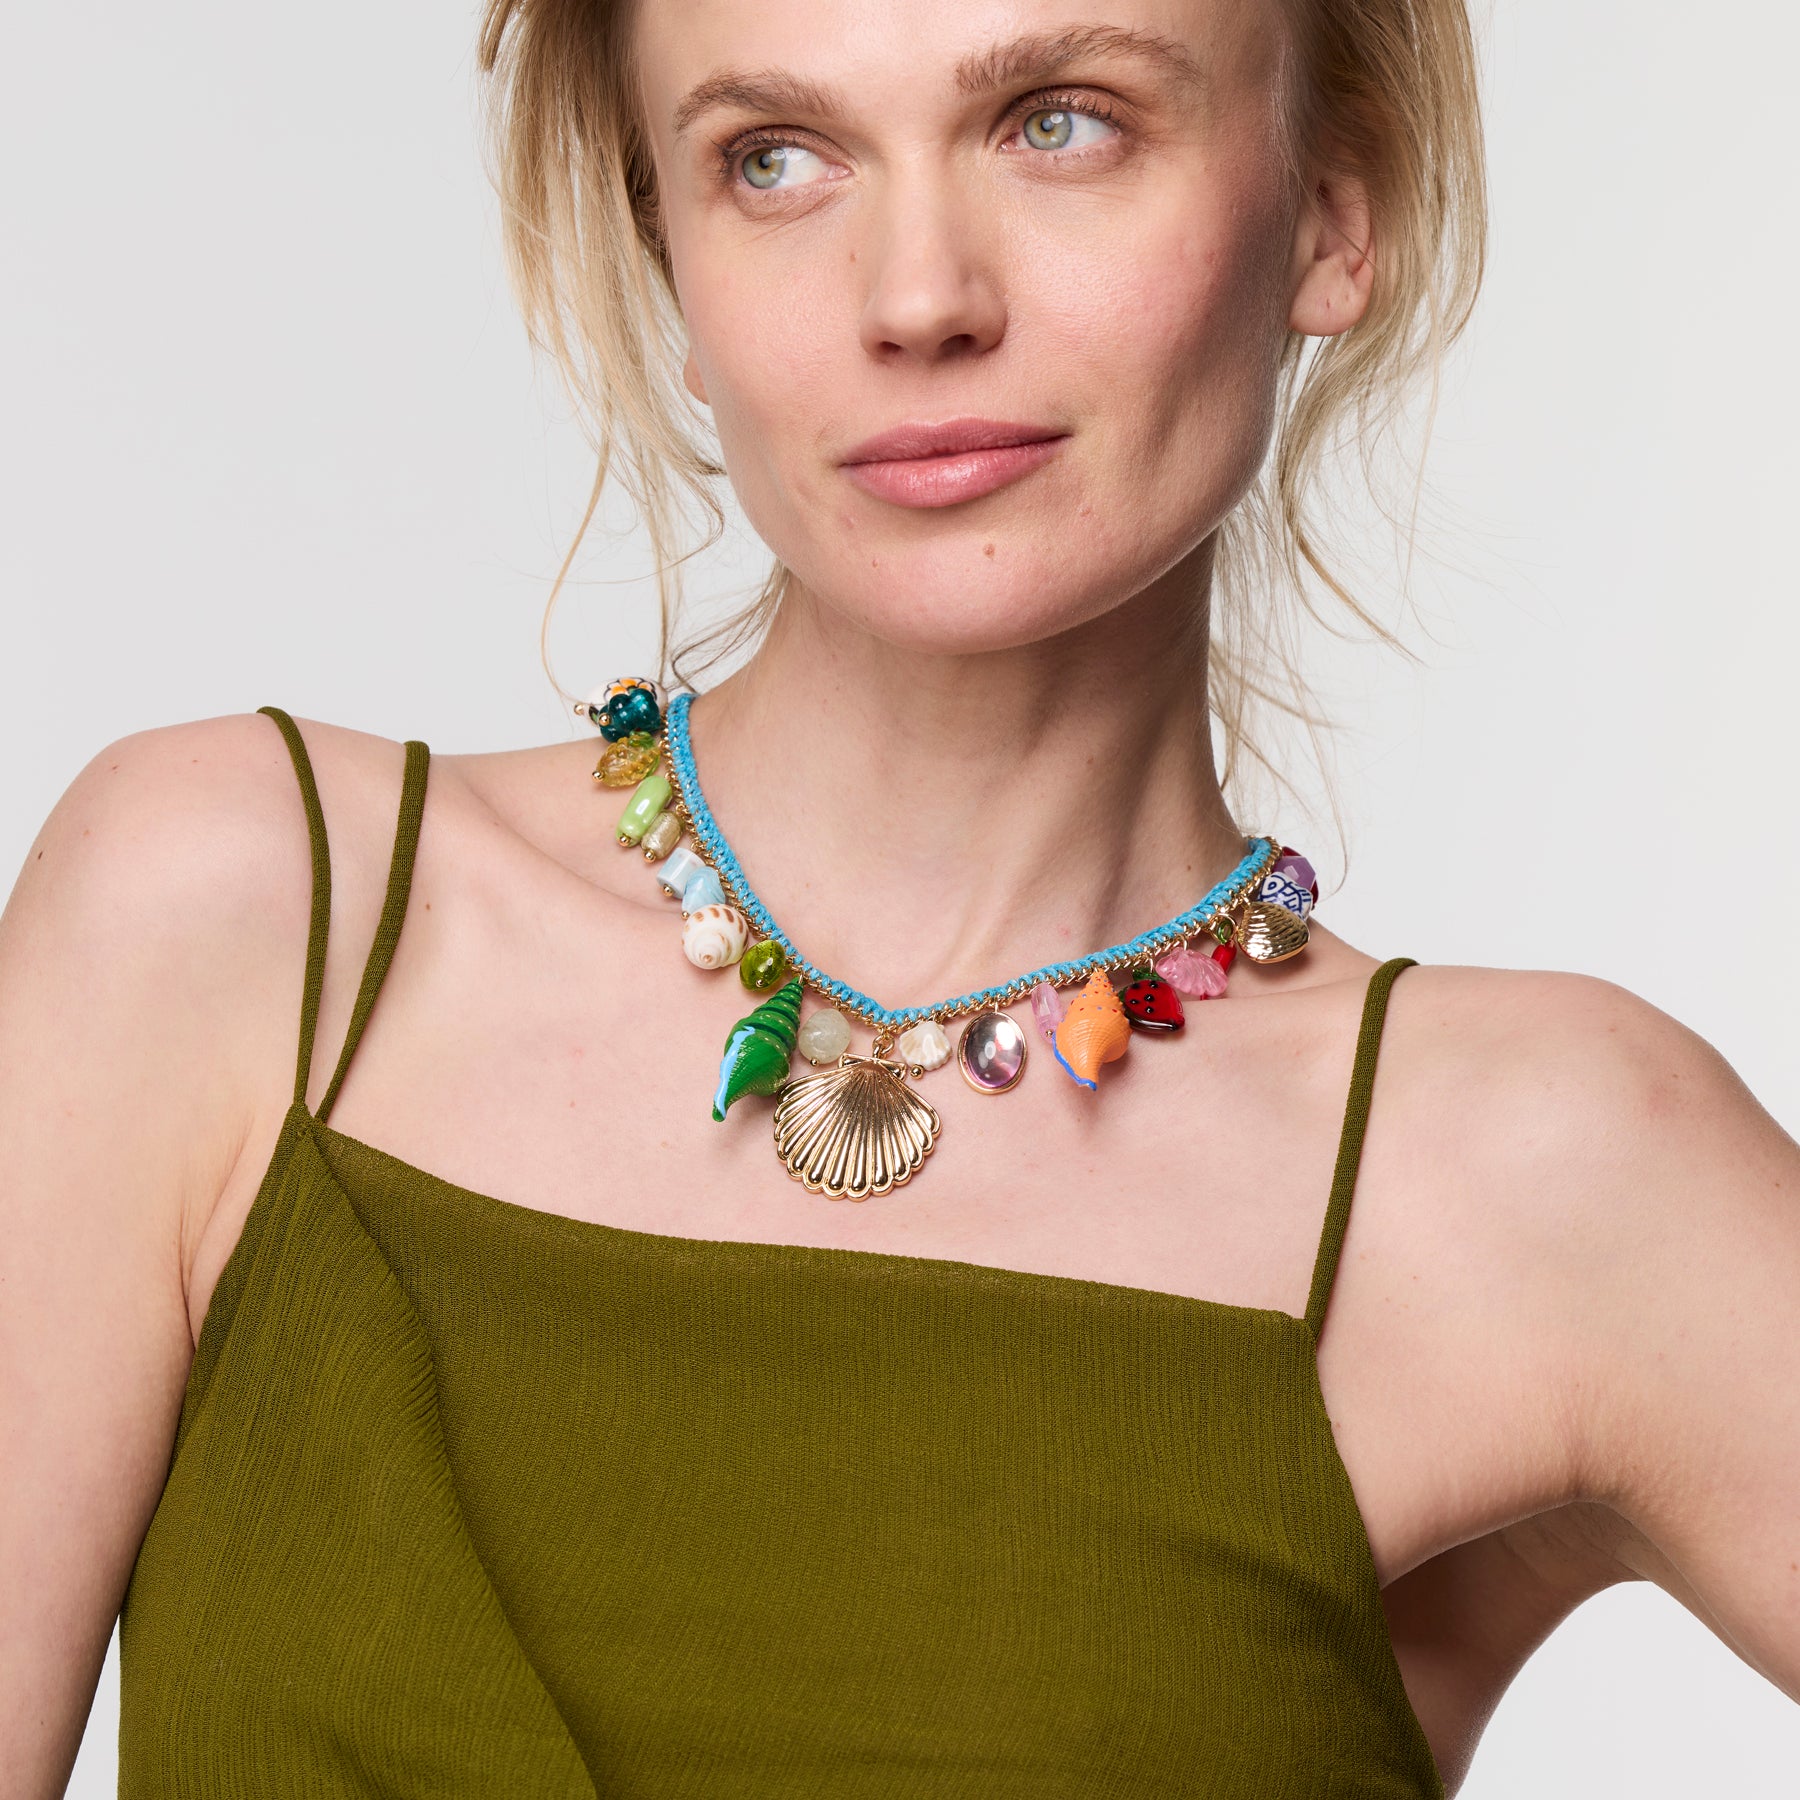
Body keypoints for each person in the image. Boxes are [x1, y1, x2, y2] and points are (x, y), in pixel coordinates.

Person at [3, 0, 1796, 1793]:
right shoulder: (238, 923)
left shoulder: (1537, 1178)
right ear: (674, 263)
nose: (916, 297)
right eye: (771, 159)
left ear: (1338, 201)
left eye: (1061, 121)